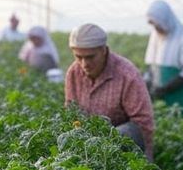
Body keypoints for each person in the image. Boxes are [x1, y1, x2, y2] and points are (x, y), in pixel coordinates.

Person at [65, 23, 155, 160]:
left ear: (104, 50)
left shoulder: (127, 75)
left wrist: (146, 161)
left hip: (122, 149)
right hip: (86, 146)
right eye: (78, 57)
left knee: (126, 132)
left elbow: (143, 124)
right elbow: (71, 112)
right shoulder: (73, 73)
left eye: (90, 57)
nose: (84, 64)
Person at [144, 0, 183, 116]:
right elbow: (151, 66)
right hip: (163, 98)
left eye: (157, 24)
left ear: (166, 20)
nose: (156, 28)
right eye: (153, 25)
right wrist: (146, 85)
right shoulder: (156, 36)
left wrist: (165, 89)